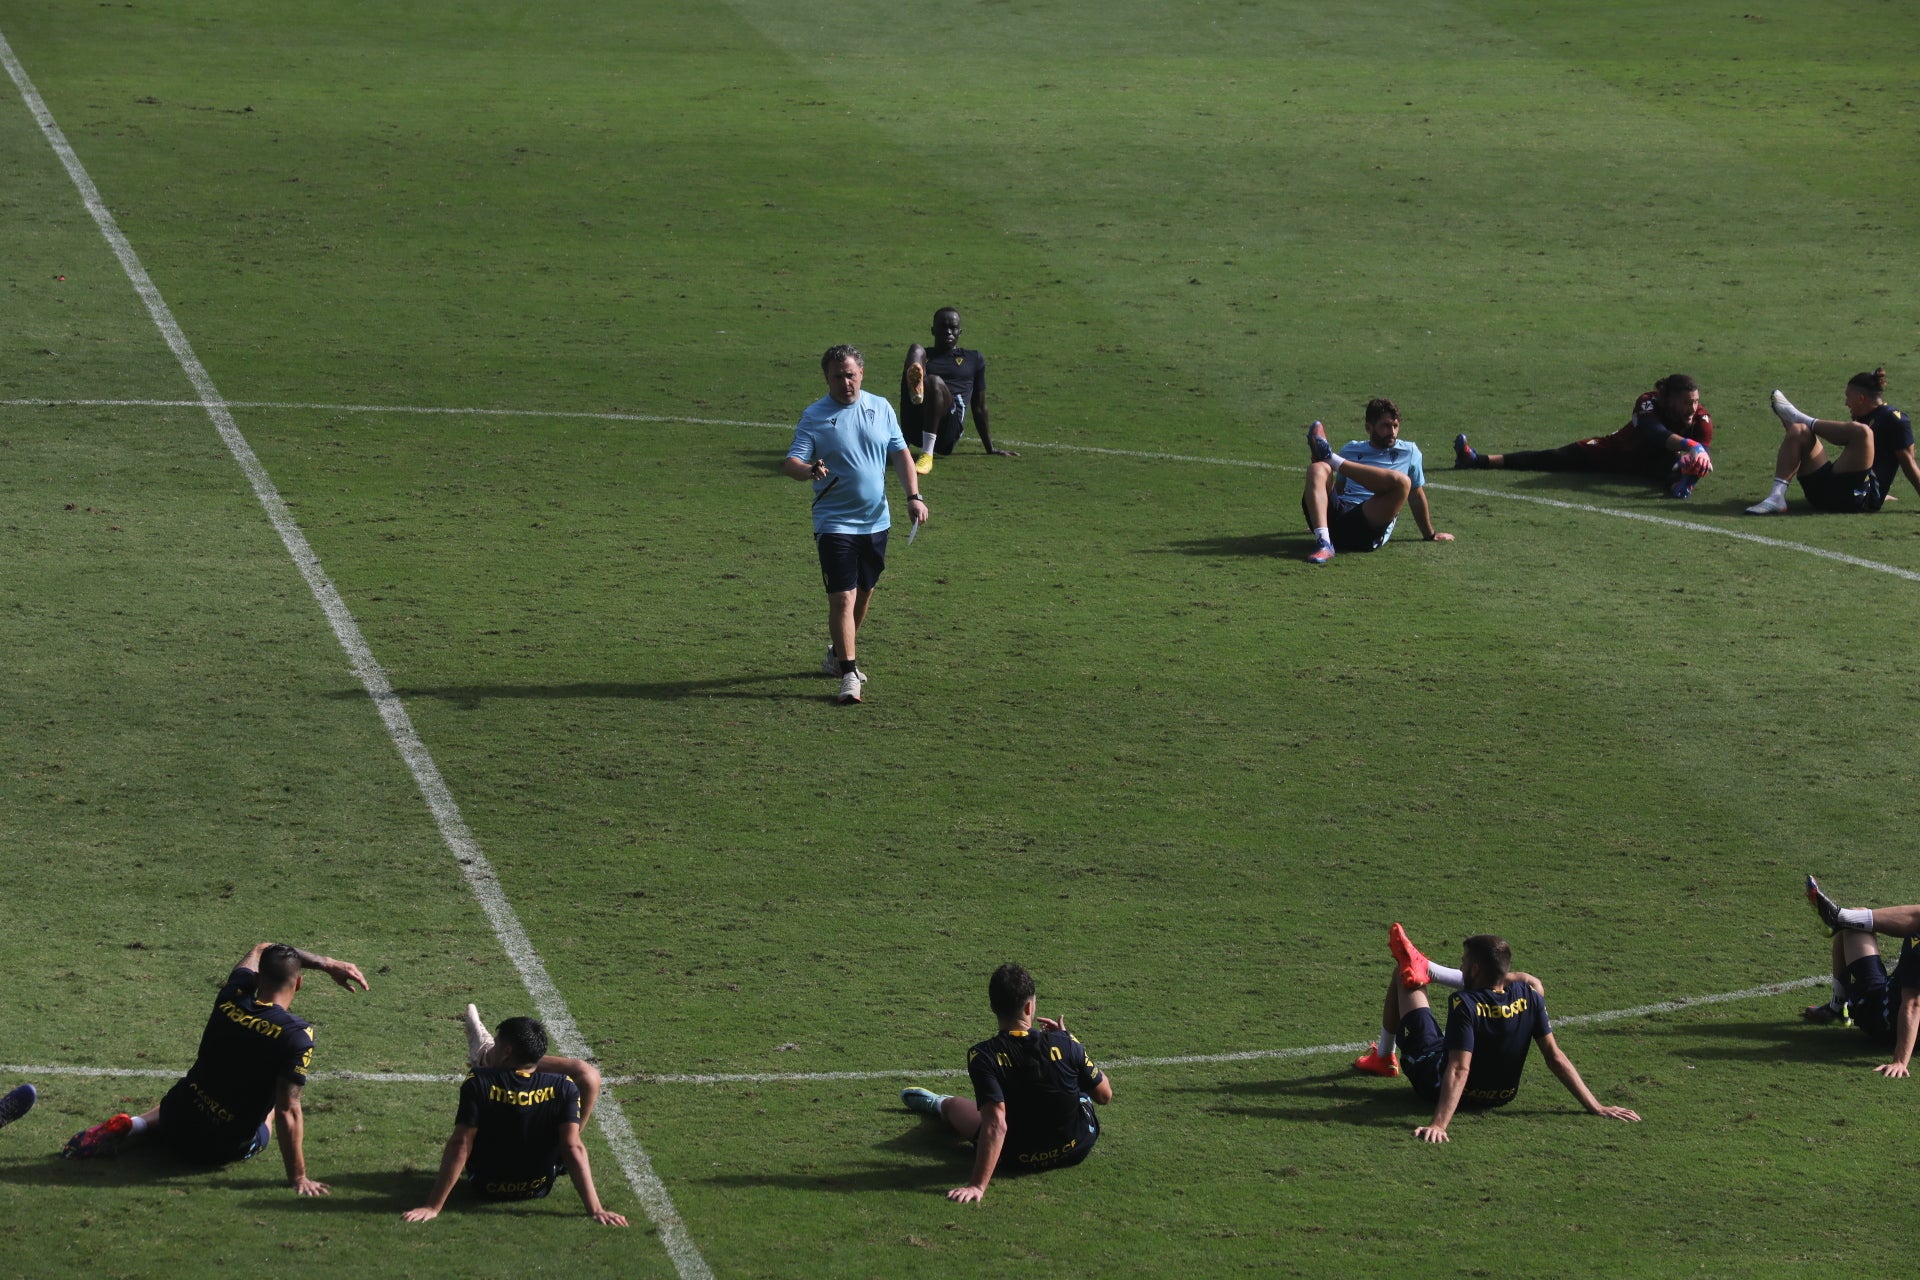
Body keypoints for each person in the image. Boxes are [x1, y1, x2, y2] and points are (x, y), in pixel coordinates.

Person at [61, 941, 368, 1195]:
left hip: (175, 1116)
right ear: (298, 983)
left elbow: (261, 947)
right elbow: (290, 1111)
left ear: (258, 977)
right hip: (217, 1149)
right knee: (274, 1105)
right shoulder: (296, 1035)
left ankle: (137, 1125)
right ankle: (142, 1128)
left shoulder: (231, 996)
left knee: (202, 1082)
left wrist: (327, 962)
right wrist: (298, 1177)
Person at [1351, 924, 1642, 1142]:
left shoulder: (1464, 1004)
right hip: (1501, 1096)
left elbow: (1458, 1069)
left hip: (1437, 1082)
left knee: (1406, 974)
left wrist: (1439, 1124)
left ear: (1475, 969)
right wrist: (1596, 1105)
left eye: (1463, 962)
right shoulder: (1530, 997)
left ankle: (1385, 1057)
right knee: (1528, 988)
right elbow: (1554, 1057)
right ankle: (1431, 970)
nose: (1462, 964)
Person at [784, 344, 928, 705]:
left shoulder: (880, 408)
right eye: (838, 376)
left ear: (861, 373)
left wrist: (914, 496)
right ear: (827, 378)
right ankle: (849, 673)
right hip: (834, 523)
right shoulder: (815, 416)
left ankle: (836, 653)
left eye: (850, 375)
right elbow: (792, 462)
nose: (845, 382)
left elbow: (900, 454)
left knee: (864, 591)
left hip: (877, 521)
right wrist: (809, 471)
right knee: (842, 597)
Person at [899, 963, 1112, 1202]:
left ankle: (939, 1104)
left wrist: (977, 1186)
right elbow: (1104, 1095)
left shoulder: (983, 1056)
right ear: (1030, 1006)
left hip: (1017, 1157)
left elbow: (996, 1124)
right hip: (1076, 1147)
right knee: (1073, 1080)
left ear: (993, 1008)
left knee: (955, 1105)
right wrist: (1070, 1043)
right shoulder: (1066, 1042)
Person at [401, 1007, 627, 1226]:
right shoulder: (564, 1087)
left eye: (497, 1045)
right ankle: (495, 1055)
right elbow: (573, 1147)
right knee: (585, 1081)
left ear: (506, 1051)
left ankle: (484, 1055)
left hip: (486, 1186)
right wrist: (596, 1209)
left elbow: (461, 1144)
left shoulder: (479, 1082)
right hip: (538, 1186)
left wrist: (433, 1206)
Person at [1453, 374, 1715, 498]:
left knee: (1681, 465)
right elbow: (1655, 432)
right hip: (1614, 452)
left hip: (1652, 464)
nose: (1692, 408)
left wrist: (1695, 464)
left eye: (1695, 402)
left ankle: (1676, 484)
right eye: (1685, 402)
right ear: (1668, 400)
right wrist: (1691, 446)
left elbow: (1703, 456)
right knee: (1554, 458)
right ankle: (1477, 460)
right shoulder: (1648, 402)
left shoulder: (1702, 420)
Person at [1301, 399, 1454, 565]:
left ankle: (1331, 458)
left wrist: (1430, 534)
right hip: (1337, 519)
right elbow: (1338, 489)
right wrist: (1319, 518)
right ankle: (1324, 542)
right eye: (1386, 426)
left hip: (1367, 525)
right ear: (1369, 428)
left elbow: (1416, 495)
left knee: (1402, 482)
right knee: (1317, 468)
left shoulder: (1409, 452)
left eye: (1395, 426)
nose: (1392, 432)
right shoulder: (1351, 449)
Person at [1744, 369, 1918, 515]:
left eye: (1848, 397)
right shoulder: (1862, 418)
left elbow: (1909, 463)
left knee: (1863, 432)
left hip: (1858, 498)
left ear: (1861, 398)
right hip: (1826, 492)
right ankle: (1776, 497)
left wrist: (1881, 493)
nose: (1846, 403)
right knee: (1799, 430)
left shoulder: (1894, 419)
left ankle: (1800, 417)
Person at [1801, 876, 1920, 1076]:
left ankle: (1837, 1007)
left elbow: (1913, 1005)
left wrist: (1900, 1061)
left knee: (1853, 922)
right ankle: (1840, 918)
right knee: (1855, 918)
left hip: (1883, 1017)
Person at [899, 307, 1017, 474]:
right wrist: (901, 444)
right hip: (916, 425)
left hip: (947, 431)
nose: (948, 331)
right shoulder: (925, 355)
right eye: (943, 326)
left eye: (953, 327)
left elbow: (979, 406)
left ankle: (927, 455)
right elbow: (904, 397)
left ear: (960, 331)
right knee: (915, 350)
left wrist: (990, 448)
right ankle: (918, 390)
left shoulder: (973, 359)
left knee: (933, 382)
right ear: (933, 330)